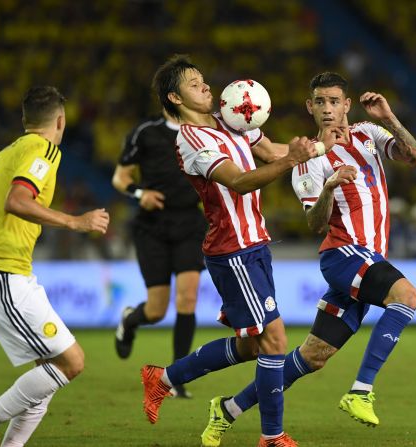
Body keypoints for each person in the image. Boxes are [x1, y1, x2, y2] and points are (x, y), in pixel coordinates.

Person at [200, 72, 416, 447]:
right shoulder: (307, 156)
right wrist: (331, 186)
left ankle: (227, 410)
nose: (327, 109)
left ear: (347, 105)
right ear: (310, 106)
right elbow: (314, 222)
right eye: (319, 102)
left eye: (334, 101)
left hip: (369, 258)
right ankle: (361, 391)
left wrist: (389, 118)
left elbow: (415, 157)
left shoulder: (369, 133)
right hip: (343, 256)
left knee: (312, 356)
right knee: (407, 297)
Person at [138, 56, 339, 447]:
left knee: (251, 345)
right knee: (275, 341)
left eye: (204, 80)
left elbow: (270, 151)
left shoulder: (228, 119)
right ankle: (272, 436)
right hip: (233, 250)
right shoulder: (193, 140)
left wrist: (319, 148)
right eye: (196, 84)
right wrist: (293, 160)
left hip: (254, 245)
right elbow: (242, 182)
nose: (207, 87)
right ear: (175, 97)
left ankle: (162, 378)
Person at [0, 86, 109, 447]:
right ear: (60, 121)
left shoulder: (7, 153)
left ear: (25, 120)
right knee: (71, 363)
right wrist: (75, 222)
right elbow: (18, 200)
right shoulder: (44, 149)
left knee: (47, 374)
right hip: (0, 272)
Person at [112, 107, 207, 399]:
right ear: (172, 96)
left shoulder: (205, 131)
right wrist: (141, 194)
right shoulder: (146, 133)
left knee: (188, 297)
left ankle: (176, 378)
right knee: (156, 311)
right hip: (153, 226)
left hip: (190, 221)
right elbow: (120, 177)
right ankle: (130, 320)